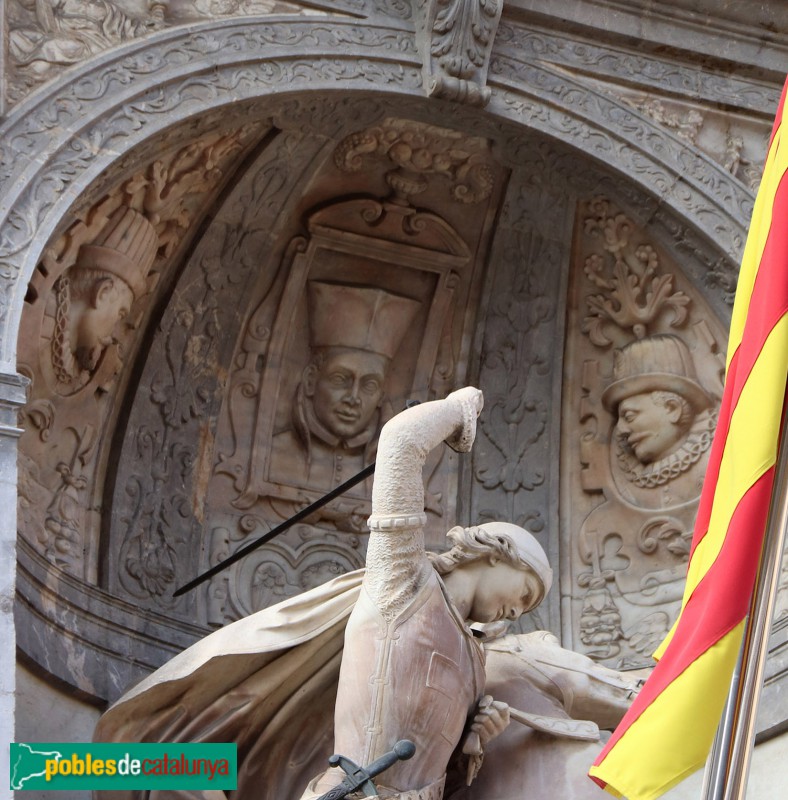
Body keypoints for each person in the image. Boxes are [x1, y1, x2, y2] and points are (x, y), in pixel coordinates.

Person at [268, 281, 420, 493]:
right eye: (340, 379)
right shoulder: (272, 454)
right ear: (311, 379)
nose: (353, 397)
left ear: (381, 395)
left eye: (369, 385)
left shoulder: (398, 476)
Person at [50, 206, 158, 385]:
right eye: (120, 314)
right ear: (102, 293)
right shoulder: (36, 316)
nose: (113, 335)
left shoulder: (72, 366)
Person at [601, 334, 715, 500]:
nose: (621, 430)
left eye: (630, 416)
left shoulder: (718, 464)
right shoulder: (624, 489)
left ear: (672, 408)